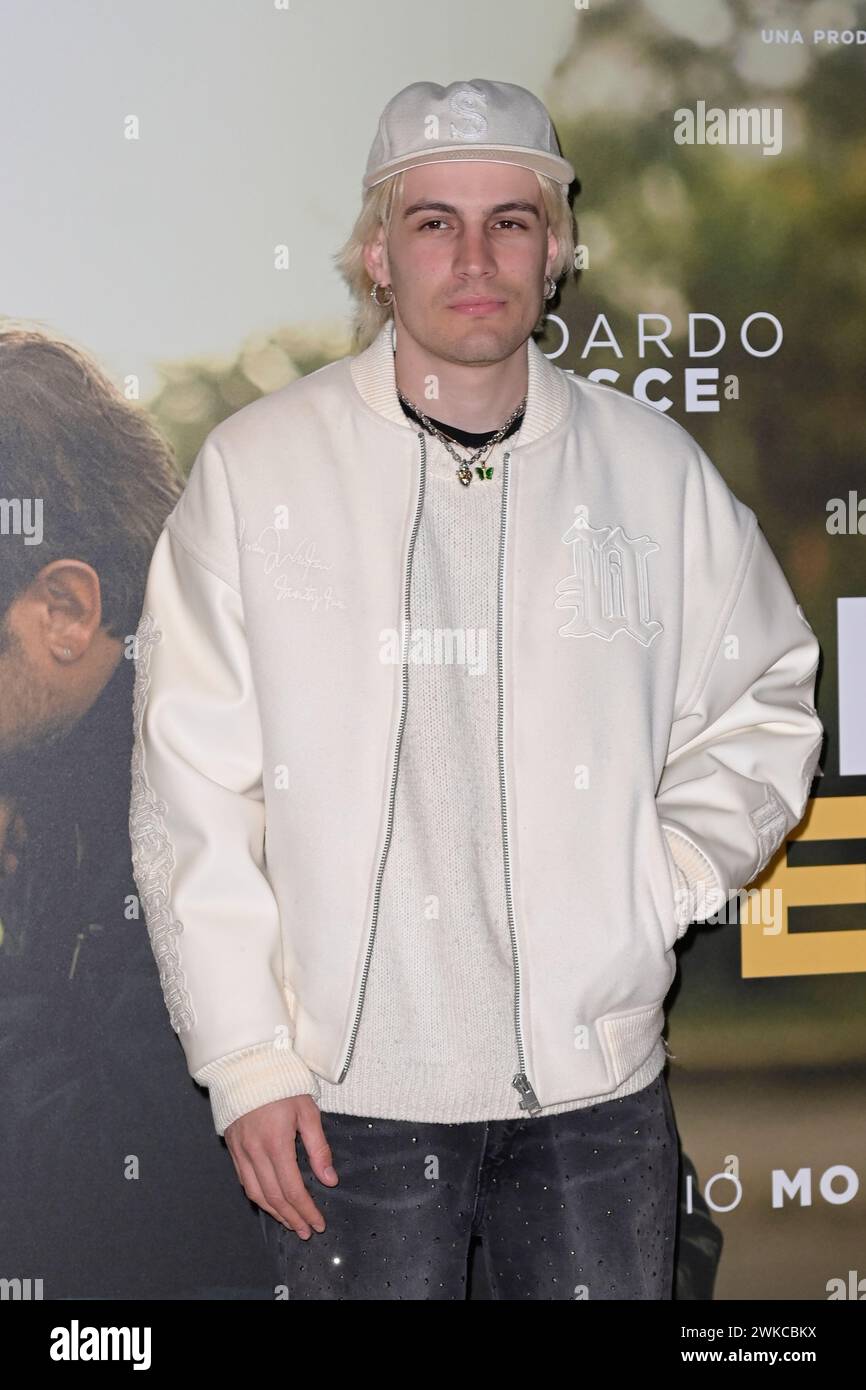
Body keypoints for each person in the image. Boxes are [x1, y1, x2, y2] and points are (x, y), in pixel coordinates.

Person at [129, 79, 824, 1300]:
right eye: (433, 221)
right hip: (344, 1112)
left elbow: (766, 697)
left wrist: (652, 883)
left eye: (510, 220)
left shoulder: (650, 471)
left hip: (592, 1099)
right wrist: (245, 1058)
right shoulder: (258, 470)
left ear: (554, 252)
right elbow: (190, 786)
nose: (475, 255)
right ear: (375, 256)